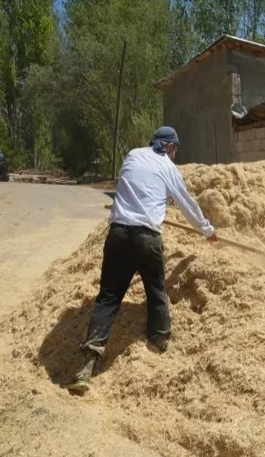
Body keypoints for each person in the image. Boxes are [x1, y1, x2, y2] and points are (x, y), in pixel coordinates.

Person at [67, 126, 217, 393]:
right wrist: (208, 230)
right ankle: (160, 343)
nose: (175, 154)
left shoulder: (133, 155)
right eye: (175, 150)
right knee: (157, 290)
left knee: (109, 297)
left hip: (118, 235)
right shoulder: (168, 167)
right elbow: (186, 204)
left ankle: (87, 365)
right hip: (147, 237)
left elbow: (132, 185)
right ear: (170, 147)